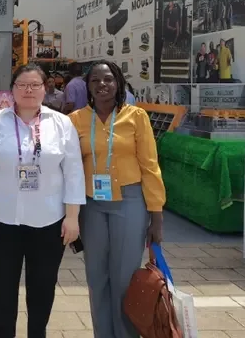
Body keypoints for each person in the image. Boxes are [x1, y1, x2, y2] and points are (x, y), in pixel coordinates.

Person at [0, 63, 86, 338]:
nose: (28, 90)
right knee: (2, 288)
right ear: (12, 90)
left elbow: (73, 172)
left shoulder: (61, 124)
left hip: (49, 222)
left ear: (45, 89)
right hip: (2, 221)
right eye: (22, 85)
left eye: (35, 85)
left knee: (42, 288)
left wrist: (72, 217)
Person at [69, 60, 166, 338]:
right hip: (91, 205)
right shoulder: (75, 120)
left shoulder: (136, 116)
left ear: (119, 82)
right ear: (87, 86)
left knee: (124, 277)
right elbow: (69, 167)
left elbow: (150, 165)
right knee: (96, 276)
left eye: (108, 79)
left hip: (129, 201)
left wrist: (156, 215)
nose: (102, 84)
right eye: (95, 80)